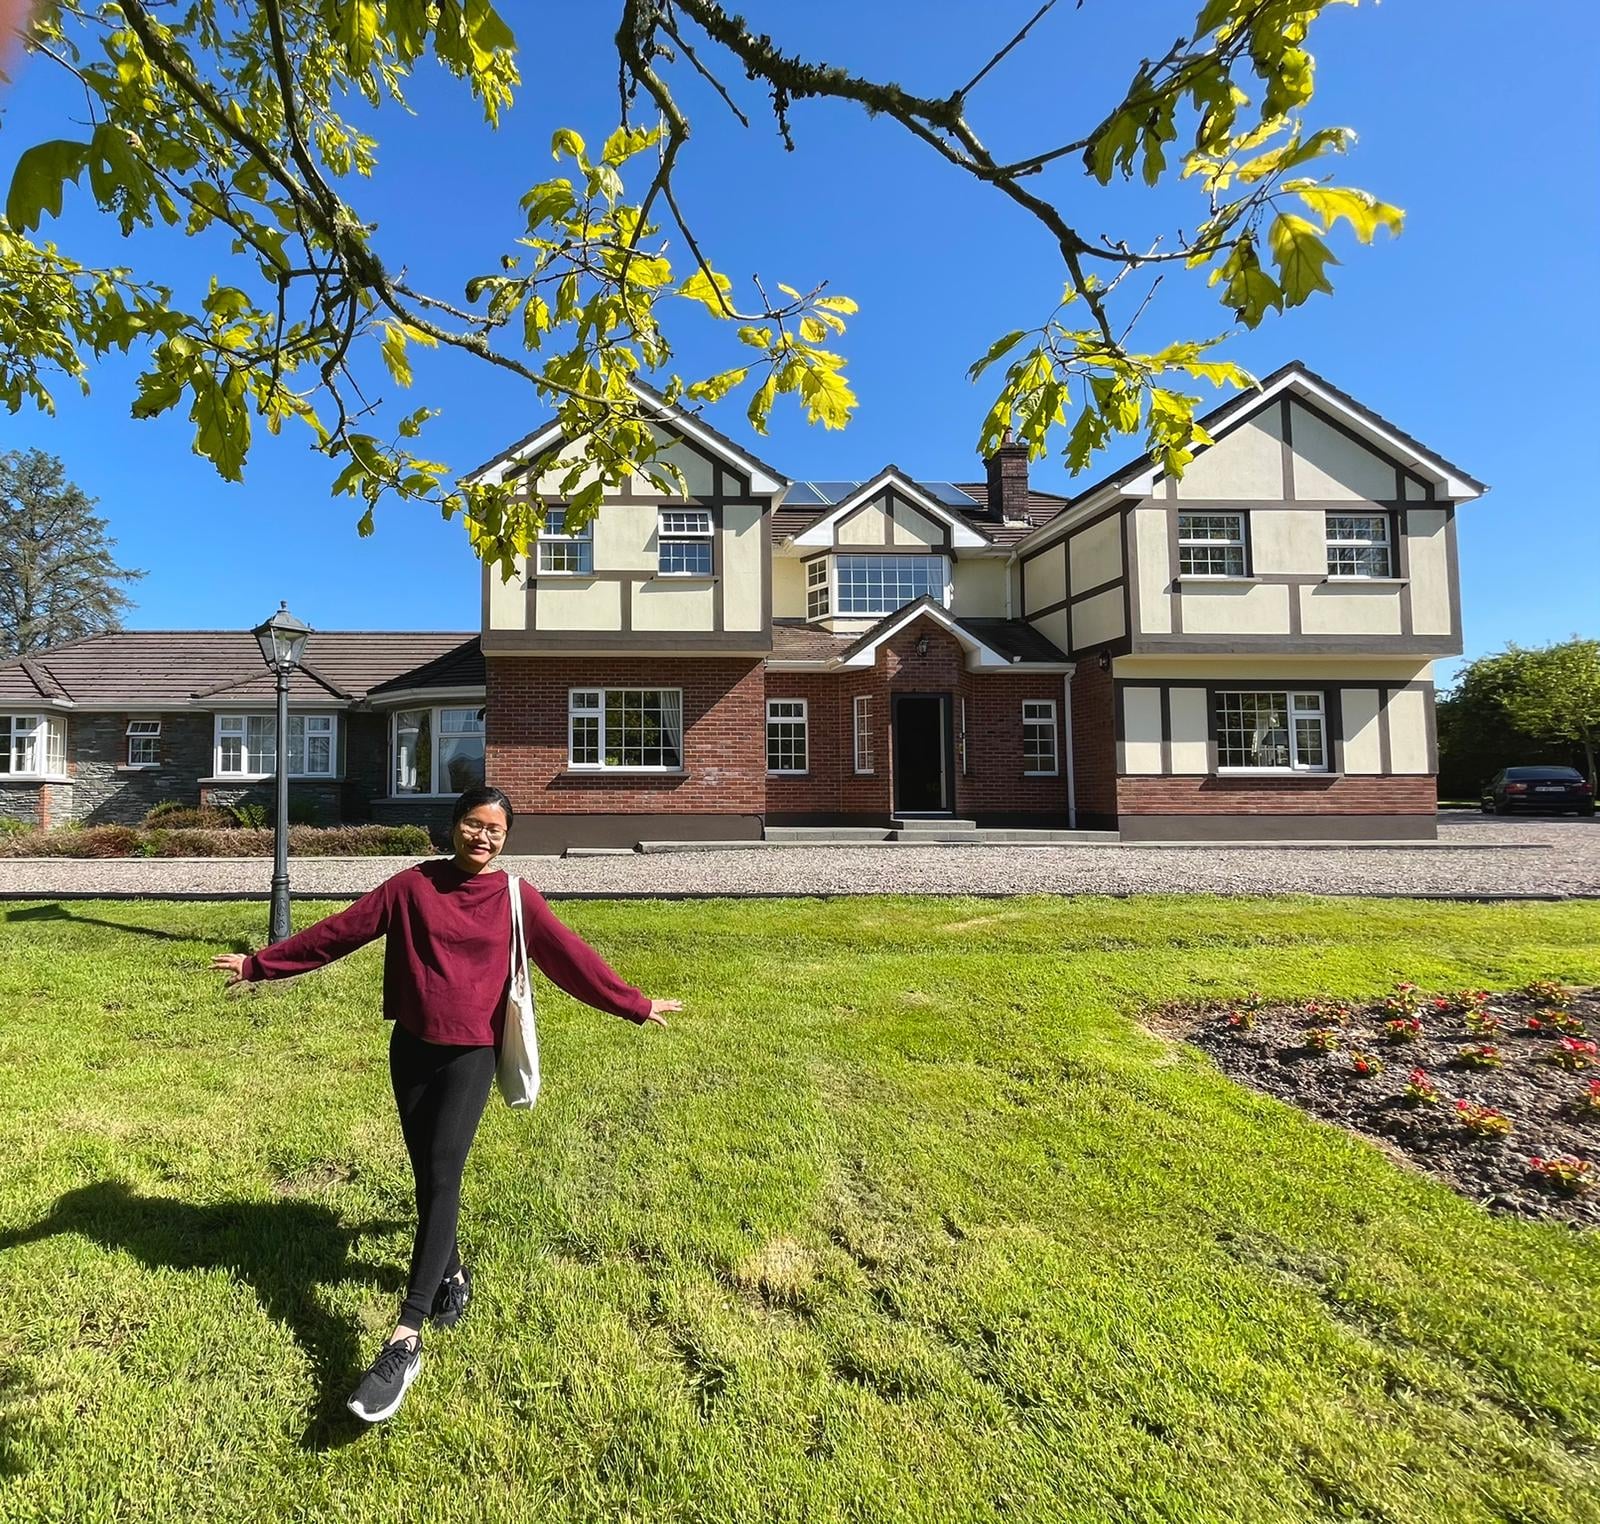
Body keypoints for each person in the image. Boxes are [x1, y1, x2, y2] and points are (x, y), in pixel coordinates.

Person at [212, 785, 680, 1424]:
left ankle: (406, 1335)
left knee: (441, 1174)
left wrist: (634, 1003)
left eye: (495, 830)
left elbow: (569, 958)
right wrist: (261, 965)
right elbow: (341, 931)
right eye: (473, 824)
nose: (483, 837)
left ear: (506, 838)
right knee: (429, 1178)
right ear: (454, 824)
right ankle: (453, 1275)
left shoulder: (516, 898)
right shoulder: (412, 887)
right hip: (411, 1048)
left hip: (471, 1056)